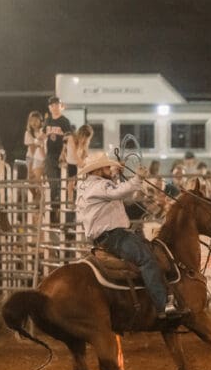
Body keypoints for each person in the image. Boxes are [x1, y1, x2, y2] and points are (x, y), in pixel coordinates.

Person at [76, 152, 184, 320]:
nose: (109, 168)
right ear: (97, 170)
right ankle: (163, 306)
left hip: (107, 236)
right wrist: (138, 178)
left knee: (146, 250)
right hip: (114, 237)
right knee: (147, 259)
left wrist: (117, 175)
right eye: (106, 166)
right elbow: (117, 193)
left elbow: (118, 193)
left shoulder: (88, 186)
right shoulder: (99, 186)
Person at [43, 96, 75, 225]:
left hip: (61, 155)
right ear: (49, 107)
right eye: (52, 105)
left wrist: (64, 152)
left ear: (60, 106)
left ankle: (63, 216)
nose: (54, 107)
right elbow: (43, 136)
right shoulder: (48, 120)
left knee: (64, 185)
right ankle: (53, 214)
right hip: (50, 155)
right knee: (53, 185)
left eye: (56, 105)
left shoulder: (64, 121)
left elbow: (68, 137)